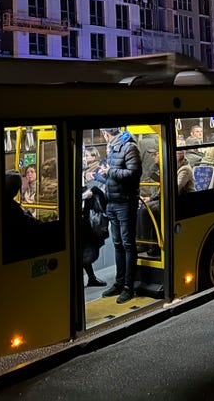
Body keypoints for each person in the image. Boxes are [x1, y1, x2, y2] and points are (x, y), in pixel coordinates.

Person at [98, 127, 143, 303]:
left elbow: (134, 174)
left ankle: (128, 286)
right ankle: (119, 282)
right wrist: (101, 174)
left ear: (106, 134)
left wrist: (109, 171)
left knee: (127, 244)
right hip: (112, 202)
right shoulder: (111, 149)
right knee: (117, 244)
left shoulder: (129, 147)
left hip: (125, 202)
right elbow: (111, 174)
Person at [80, 185, 108, 286]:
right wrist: (84, 195)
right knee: (86, 252)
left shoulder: (91, 191)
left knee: (86, 250)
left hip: (85, 225)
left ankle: (91, 278)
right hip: (81, 226)